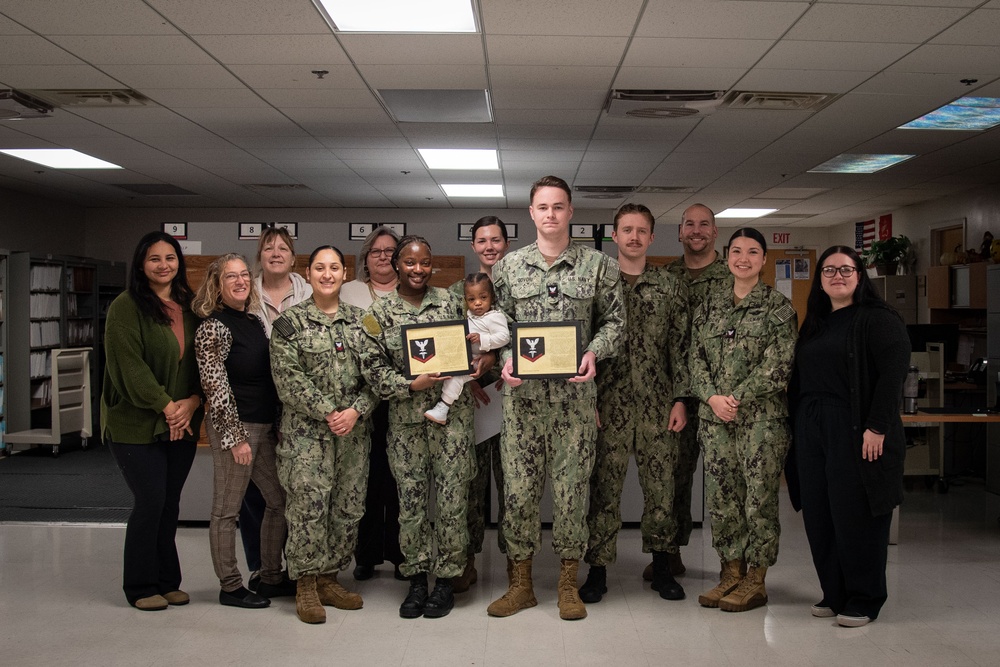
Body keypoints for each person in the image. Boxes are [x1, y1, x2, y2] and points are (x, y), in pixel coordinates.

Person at [488, 175, 625, 621]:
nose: (550, 214)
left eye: (559, 206)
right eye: (542, 207)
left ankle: (569, 584)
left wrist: (593, 353)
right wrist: (506, 358)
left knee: (571, 496)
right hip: (523, 406)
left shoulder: (598, 266)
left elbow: (615, 324)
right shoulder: (507, 268)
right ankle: (521, 584)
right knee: (520, 496)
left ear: (570, 212)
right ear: (531, 213)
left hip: (574, 407)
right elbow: (497, 326)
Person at [359, 236, 491, 620]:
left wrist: (485, 359)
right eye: (410, 262)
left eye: (425, 262)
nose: (418, 269)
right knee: (412, 505)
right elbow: (372, 368)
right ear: (395, 264)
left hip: (451, 421)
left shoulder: (451, 302)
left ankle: (447, 579)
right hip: (406, 423)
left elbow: (483, 338)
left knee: (452, 502)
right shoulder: (379, 314)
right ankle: (416, 578)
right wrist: (408, 385)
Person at [787, 245, 909, 628]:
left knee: (854, 512)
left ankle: (865, 598)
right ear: (819, 279)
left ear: (860, 275)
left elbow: (892, 377)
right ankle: (835, 592)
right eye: (828, 271)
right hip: (812, 426)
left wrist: (877, 427)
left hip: (855, 427)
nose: (837, 276)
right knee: (820, 511)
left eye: (845, 269)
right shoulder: (817, 321)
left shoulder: (878, 318)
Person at [579, 204, 689, 604]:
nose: (634, 237)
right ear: (614, 234)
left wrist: (680, 399)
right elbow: (582, 346)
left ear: (651, 237)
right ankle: (597, 571)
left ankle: (662, 567)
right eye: (627, 230)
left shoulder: (669, 285)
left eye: (642, 230)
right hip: (608, 404)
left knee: (661, 490)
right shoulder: (596, 283)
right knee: (603, 491)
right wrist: (587, 400)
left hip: (659, 406)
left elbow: (680, 348)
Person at [690, 227, 797, 613]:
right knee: (722, 499)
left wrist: (735, 398)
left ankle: (756, 579)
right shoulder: (709, 305)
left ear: (763, 260)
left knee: (759, 500)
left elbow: (779, 365)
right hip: (715, 420)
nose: (744, 258)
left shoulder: (778, 309)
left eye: (753, 252)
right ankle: (730, 572)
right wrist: (713, 398)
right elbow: (694, 358)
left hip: (760, 424)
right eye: (737, 251)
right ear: (727, 255)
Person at [269, 245, 376, 624]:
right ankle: (306, 584)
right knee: (308, 510)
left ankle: (331, 577)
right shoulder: (289, 324)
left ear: (345, 273)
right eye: (319, 268)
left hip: (352, 436)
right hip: (307, 437)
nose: (327, 274)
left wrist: (355, 410)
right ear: (308, 273)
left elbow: (375, 377)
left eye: (334, 267)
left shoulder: (364, 322)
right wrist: (330, 412)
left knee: (347, 509)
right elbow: (288, 380)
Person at [101, 231, 204, 611]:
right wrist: (167, 406)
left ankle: (167, 581)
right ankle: (140, 585)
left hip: (184, 420)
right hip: (136, 423)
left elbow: (200, 364)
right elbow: (129, 368)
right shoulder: (126, 307)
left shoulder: (190, 306)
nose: (164, 265)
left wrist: (191, 402)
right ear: (141, 265)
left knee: (170, 503)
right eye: (154, 259)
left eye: (170, 257)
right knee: (150, 500)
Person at [192, 254, 288, 610]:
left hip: (263, 426)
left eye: (244, 275)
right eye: (230, 277)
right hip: (236, 428)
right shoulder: (212, 326)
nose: (239, 282)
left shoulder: (253, 321)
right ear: (217, 284)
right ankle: (230, 586)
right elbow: (215, 388)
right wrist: (235, 438)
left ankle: (270, 576)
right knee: (226, 510)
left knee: (277, 501)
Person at [659, 203, 731, 580]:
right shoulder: (667, 277)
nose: (697, 230)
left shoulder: (732, 275)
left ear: (715, 232)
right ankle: (669, 554)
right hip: (679, 396)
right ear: (680, 232)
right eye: (690, 224)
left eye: (705, 224)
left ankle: (731, 562)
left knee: (726, 481)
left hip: (722, 395)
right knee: (674, 477)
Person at [240, 226, 312, 591]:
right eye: (268, 248)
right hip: (255, 403)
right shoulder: (244, 294)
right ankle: (259, 565)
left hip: (298, 404)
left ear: (293, 257)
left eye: (283, 247)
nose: (276, 253)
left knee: (291, 490)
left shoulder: (310, 294)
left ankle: (291, 565)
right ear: (260, 256)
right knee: (256, 490)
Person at [446, 216, 512, 594]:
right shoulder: (456, 292)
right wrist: (465, 379)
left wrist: (494, 361)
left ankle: (513, 563)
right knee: (470, 485)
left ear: (506, 243)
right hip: (469, 400)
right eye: (482, 240)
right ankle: (467, 560)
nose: (490, 246)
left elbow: (526, 337)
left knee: (512, 484)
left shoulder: (517, 285)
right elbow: (447, 338)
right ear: (473, 246)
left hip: (510, 396)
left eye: (496, 240)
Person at [340, 226, 405, 582]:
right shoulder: (349, 291)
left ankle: (398, 553)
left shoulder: (410, 292)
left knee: (398, 478)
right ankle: (365, 555)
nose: (383, 256)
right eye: (376, 251)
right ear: (366, 257)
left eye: (389, 250)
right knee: (364, 478)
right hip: (360, 400)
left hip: (400, 400)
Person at [425, 273, 510, 424]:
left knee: (457, 377)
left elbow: (504, 337)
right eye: (472, 299)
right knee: (446, 374)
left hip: (477, 361)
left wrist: (483, 339)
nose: (477, 303)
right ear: (465, 300)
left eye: (483, 297)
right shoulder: (468, 316)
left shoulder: (495, 317)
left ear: (492, 298)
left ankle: (443, 407)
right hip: (462, 356)